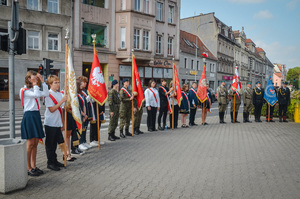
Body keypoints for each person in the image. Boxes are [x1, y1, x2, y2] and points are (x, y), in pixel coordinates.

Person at [20, 70, 49, 176]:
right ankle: (28, 168)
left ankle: (34, 166)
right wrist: (36, 84)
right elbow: (37, 95)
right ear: (28, 79)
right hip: (29, 116)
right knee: (30, 143)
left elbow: (46, 93)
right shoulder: (24, 90)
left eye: (36, 77)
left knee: (36, 142)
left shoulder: (33, 89)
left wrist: (43, 81)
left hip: (36, 115)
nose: (36, 78)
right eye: (34, 77)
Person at [44, 75, 67, 171]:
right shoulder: (48, 95)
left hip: (57, 122)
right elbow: (52, 109)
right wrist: (62, 101)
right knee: (50, 144)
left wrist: (62, 123)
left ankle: (55, 160)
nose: (57, 84)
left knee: (57, 143)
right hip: (50, 123)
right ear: (50, 84)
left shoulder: (59, 94)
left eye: (58, 82)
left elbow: (63, 109)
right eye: (55, 83)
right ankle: (50, 162)